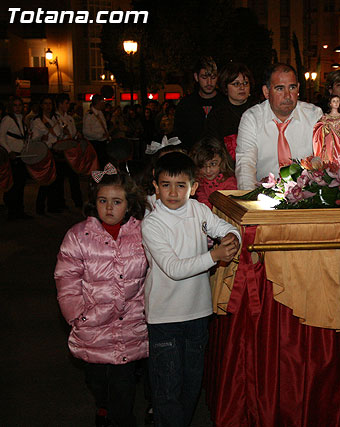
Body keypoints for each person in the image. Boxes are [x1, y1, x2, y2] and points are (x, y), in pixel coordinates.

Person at [141, 152, 241, 426]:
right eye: (165, 185)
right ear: (155, 185)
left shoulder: (199, 210)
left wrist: (233, 237)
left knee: (191, 384)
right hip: (165, 318)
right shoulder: (152, 223)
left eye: (181, 185)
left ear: (194, 187)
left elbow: (225, 228)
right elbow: (173, 268)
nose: (173, 192)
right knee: (167, 388)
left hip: (198, 314)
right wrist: (214, 256)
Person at [54, 167, 149, 427]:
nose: (109, 208)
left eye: (117, 202)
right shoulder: (78, 236)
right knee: (96, 380)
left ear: (129, 205)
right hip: (92, 325)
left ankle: (120, 418)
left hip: (130, 327)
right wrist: (76, 314)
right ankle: (103, 406)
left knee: (124, 387)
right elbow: (66, 279)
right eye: (102, 201)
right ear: (94, 202)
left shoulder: (142, 232)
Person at [235, 63, 323, 190]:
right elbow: (245, 165)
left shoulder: (314, 116)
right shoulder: (252, 118)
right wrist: (250, 202)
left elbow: (324, 161)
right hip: (264, 196)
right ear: (266, 92)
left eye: (292, 87)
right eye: (280, 88)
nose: (287, 96)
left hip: (307, 196)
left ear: (298, 88)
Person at [204, 62, 257, 145]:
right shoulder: (217, 115)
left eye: (245, 83)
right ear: (225, 87)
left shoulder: (258, 110)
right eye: (236, 84)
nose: (242, 87)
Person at [174, 56, 219, 152]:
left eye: (213, 77)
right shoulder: (186, 104)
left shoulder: (225, 102)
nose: (209, 82)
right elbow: (179, 134)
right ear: (196, 77)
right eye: (204, 77)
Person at [0, 96, 31, 220]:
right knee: (13, 185)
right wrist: (9, 151)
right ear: (11, 107)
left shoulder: (22, 119)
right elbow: (1, 137)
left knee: (20, 184)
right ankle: (13, 212)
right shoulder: (7, 119)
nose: (18, 108)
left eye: (20, 105)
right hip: (13, 156)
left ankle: (19, 210)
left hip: (21, 155)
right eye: (15, 105)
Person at [31, 95, 62, 214]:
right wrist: (40, 137)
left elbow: (58, 134)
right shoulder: (37, 121)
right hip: (45, 152)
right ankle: (40, 207)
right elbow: (33, 139)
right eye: (45, 104)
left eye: (50, 104)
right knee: (45, 181)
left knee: (56, 181)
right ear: (41, 106)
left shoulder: (55, 119)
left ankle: (53, 205)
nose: (48, 106)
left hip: (56, 151)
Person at [190, 137, 237, 209]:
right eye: (202, 166)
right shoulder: (199, 182)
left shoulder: (230, 182)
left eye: (213, 164)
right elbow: (203, 203)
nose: (208, 170)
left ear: (223, 160)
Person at [83, 94, 111, 167]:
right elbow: (86, 131)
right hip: (95, 143)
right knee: (97, 165)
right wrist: (100, 135)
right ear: (98, 102)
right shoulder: (89, 115)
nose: (104, 103)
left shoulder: (100, 113)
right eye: (103, 101)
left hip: (102, 142)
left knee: (103, 164)